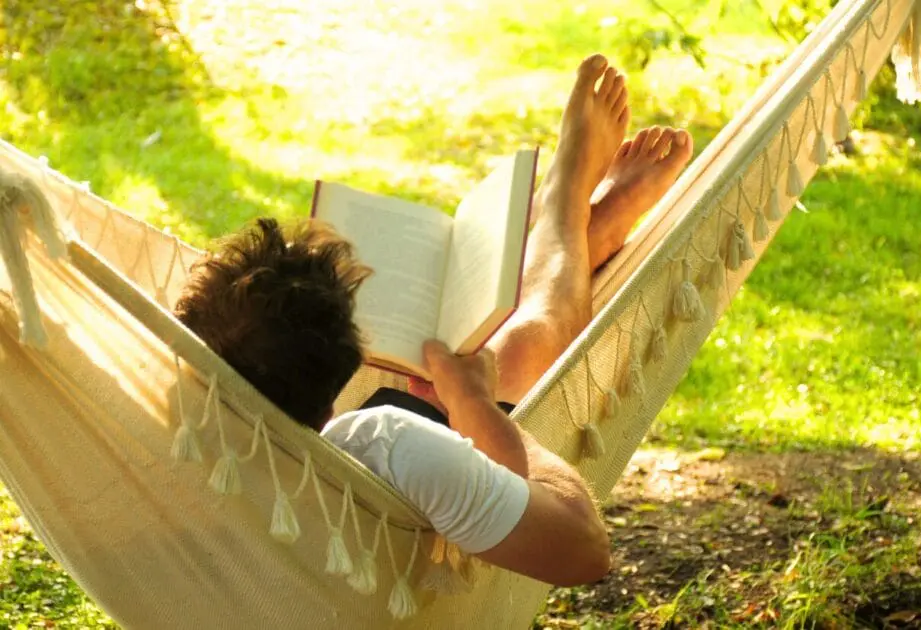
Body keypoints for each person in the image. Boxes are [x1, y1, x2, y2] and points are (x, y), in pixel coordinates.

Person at [174, 54, 693, 587]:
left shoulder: (173, 440)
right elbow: (583, 551)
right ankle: (566, 210)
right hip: (424, 500)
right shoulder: (386, 442)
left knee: (487, 357)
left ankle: (573, 239)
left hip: (350, 492)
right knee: (514, 351)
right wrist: (477, 407)